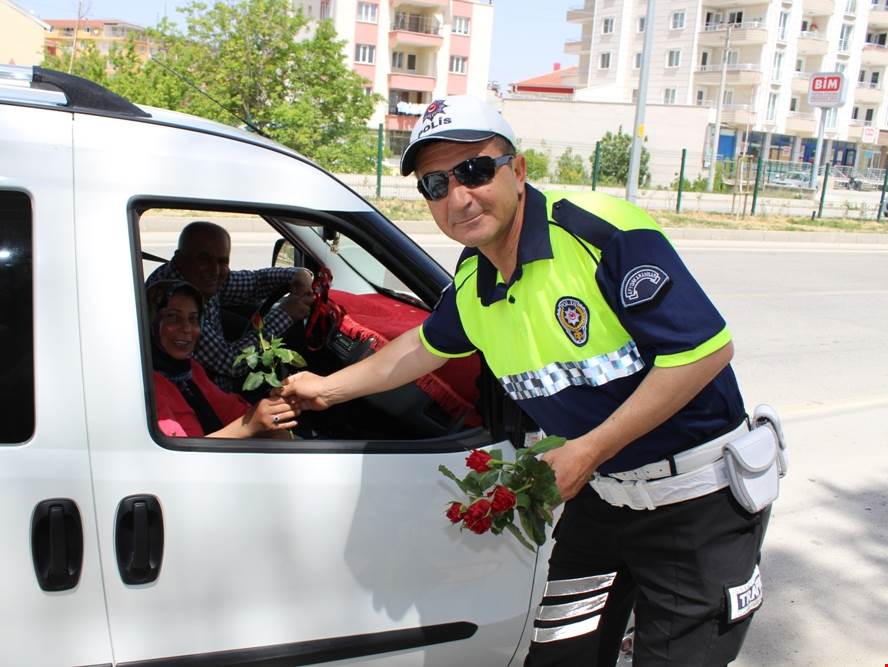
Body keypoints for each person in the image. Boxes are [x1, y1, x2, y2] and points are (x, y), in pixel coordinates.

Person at [282, 95, 768, 665]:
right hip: (607, 500)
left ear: (518, 170)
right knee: (560, 655)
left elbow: (702, 353)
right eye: (435, 184)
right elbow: (421, 347)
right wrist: (326, 388)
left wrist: (587, 450)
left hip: (696, 503)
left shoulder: (598, 231)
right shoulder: (474, 277)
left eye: (474, 170)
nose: (458, 197)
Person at [147, 221, 313, 392]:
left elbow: (254, 283)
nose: (215, 270)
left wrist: (298, 274)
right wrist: (285, 315)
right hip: (204, 401)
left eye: (222, 261)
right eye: (204, 259)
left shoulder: (199, 278)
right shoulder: (175, 300)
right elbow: (231, 363)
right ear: (180, 258)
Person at [148, 280, 299, 438]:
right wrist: (249, 426)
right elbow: (180, 453)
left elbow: (227, 407)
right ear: (151, 321)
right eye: (173, 317)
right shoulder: (147, 385)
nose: (186, 328)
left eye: (193, 319)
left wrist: (272, 411)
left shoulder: (189, 369)